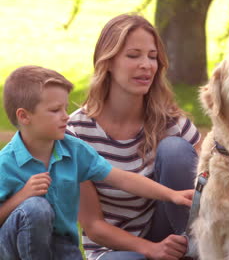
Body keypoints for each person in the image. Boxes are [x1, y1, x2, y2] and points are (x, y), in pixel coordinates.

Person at [0, 65, 193, 260]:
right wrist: (22, 196)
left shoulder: (73, 149)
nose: (66, 116)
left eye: (65, 108)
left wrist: (172, 195)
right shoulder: (6, 163)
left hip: (63, 248)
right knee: (36, 207)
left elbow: (122, 179)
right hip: (12, 248)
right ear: (24, 116)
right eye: (55, 110)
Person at [66, 14, 200, 260]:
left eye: (152, 57)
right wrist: (150, 250)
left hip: (170, 236)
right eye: (133, 55)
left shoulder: (172, 122)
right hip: (115, 249)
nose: (147, 65)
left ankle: (196, 251)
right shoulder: (76, 132)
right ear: (107, 62)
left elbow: (213, 185)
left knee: (175, 149)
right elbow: (93, 226)